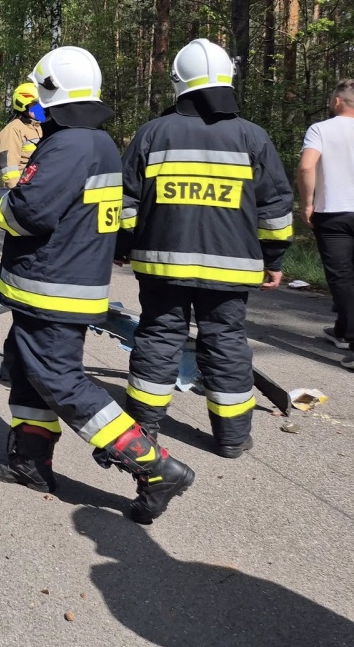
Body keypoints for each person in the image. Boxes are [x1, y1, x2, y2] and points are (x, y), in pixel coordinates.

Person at [0, 46, 195, 525]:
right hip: (62, 284)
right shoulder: (96, 142)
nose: (35, 102)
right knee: (28, 372)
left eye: (39, 93)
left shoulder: (68, 145)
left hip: (51, 287)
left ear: (51, 92)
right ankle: (30, 464)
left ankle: (154, 466)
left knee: (62, 381)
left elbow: (27, 213)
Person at [117, 38, 294, 455]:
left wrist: (123, 245)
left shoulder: (152, 133)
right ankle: (232, 438)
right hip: (230, 269)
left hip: (162, 266)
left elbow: (124, 200)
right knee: (226, 342)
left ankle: (142, 433)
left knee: (158, 337)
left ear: (178, 82)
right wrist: (274, 259)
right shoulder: (253, 137)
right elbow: (274, 208)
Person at [297, 80, 354, 367]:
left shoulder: (320, 129)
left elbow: (307, 166)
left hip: (332, 212)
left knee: (341, 278)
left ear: (336, 102)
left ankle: (351, 337)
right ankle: (343, 331)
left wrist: (308, 202)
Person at [0, 82, 44, 187]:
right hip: (25, 190)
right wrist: (17, 195)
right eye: (36, 104)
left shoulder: (40, 127)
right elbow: (9, 169)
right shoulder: (13, 129)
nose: (41, 108)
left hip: (41, 188)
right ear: (23, 105)